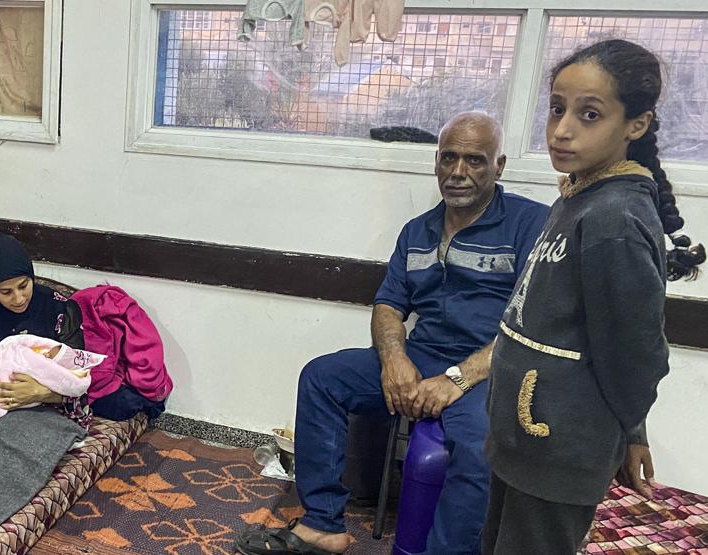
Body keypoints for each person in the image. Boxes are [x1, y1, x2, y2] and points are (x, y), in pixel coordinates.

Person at [238, 113, 550, 555]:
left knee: (481, 444)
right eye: (449, 158)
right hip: (424, 352)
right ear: (437, 162)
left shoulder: (530, 224)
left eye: (475, 160)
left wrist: (457, 378)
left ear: (498, 166)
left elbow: (533, 324)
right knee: (322, 378)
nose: (459, 171)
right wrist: (395, 359)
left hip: (489, 369)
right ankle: (323, 523)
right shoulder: (417, 230)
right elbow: (388, 305)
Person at [483, 39, 704, 555]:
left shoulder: (614, 219)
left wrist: (631, 429)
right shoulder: (579, 195)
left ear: (636, 124)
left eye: (589, 114)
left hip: (557, 448)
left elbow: (634, 352)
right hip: (522, 438)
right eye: (558, 109)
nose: (562, 129)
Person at [0, 233, 92, 428]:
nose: (19, 299)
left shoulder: (59, 310)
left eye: (23, 286)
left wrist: (42, 392)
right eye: (6, 292)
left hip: (42, 412)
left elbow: (79, 381)